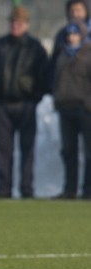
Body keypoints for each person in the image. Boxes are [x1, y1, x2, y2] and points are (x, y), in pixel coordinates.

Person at [0, 6, 48, 199]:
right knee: (3, 151)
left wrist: (35, 97)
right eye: (12, 22)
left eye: (19, 22)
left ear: (26, 24)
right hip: (2, 105)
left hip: (26, 105)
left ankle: (26, 188)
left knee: (27, 149)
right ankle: (4, 188)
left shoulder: (35, 48)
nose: (15, 26)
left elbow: (43, 76)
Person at [49, 23, 91, 199]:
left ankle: (88, 189)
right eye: (69, 34)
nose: (71, 37)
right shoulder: (61, 53)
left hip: (85, 109)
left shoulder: (88, 54)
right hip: (65, 107)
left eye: (75, 34)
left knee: (89, 150)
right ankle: (69, 189)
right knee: (68, 151)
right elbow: (53, 77)